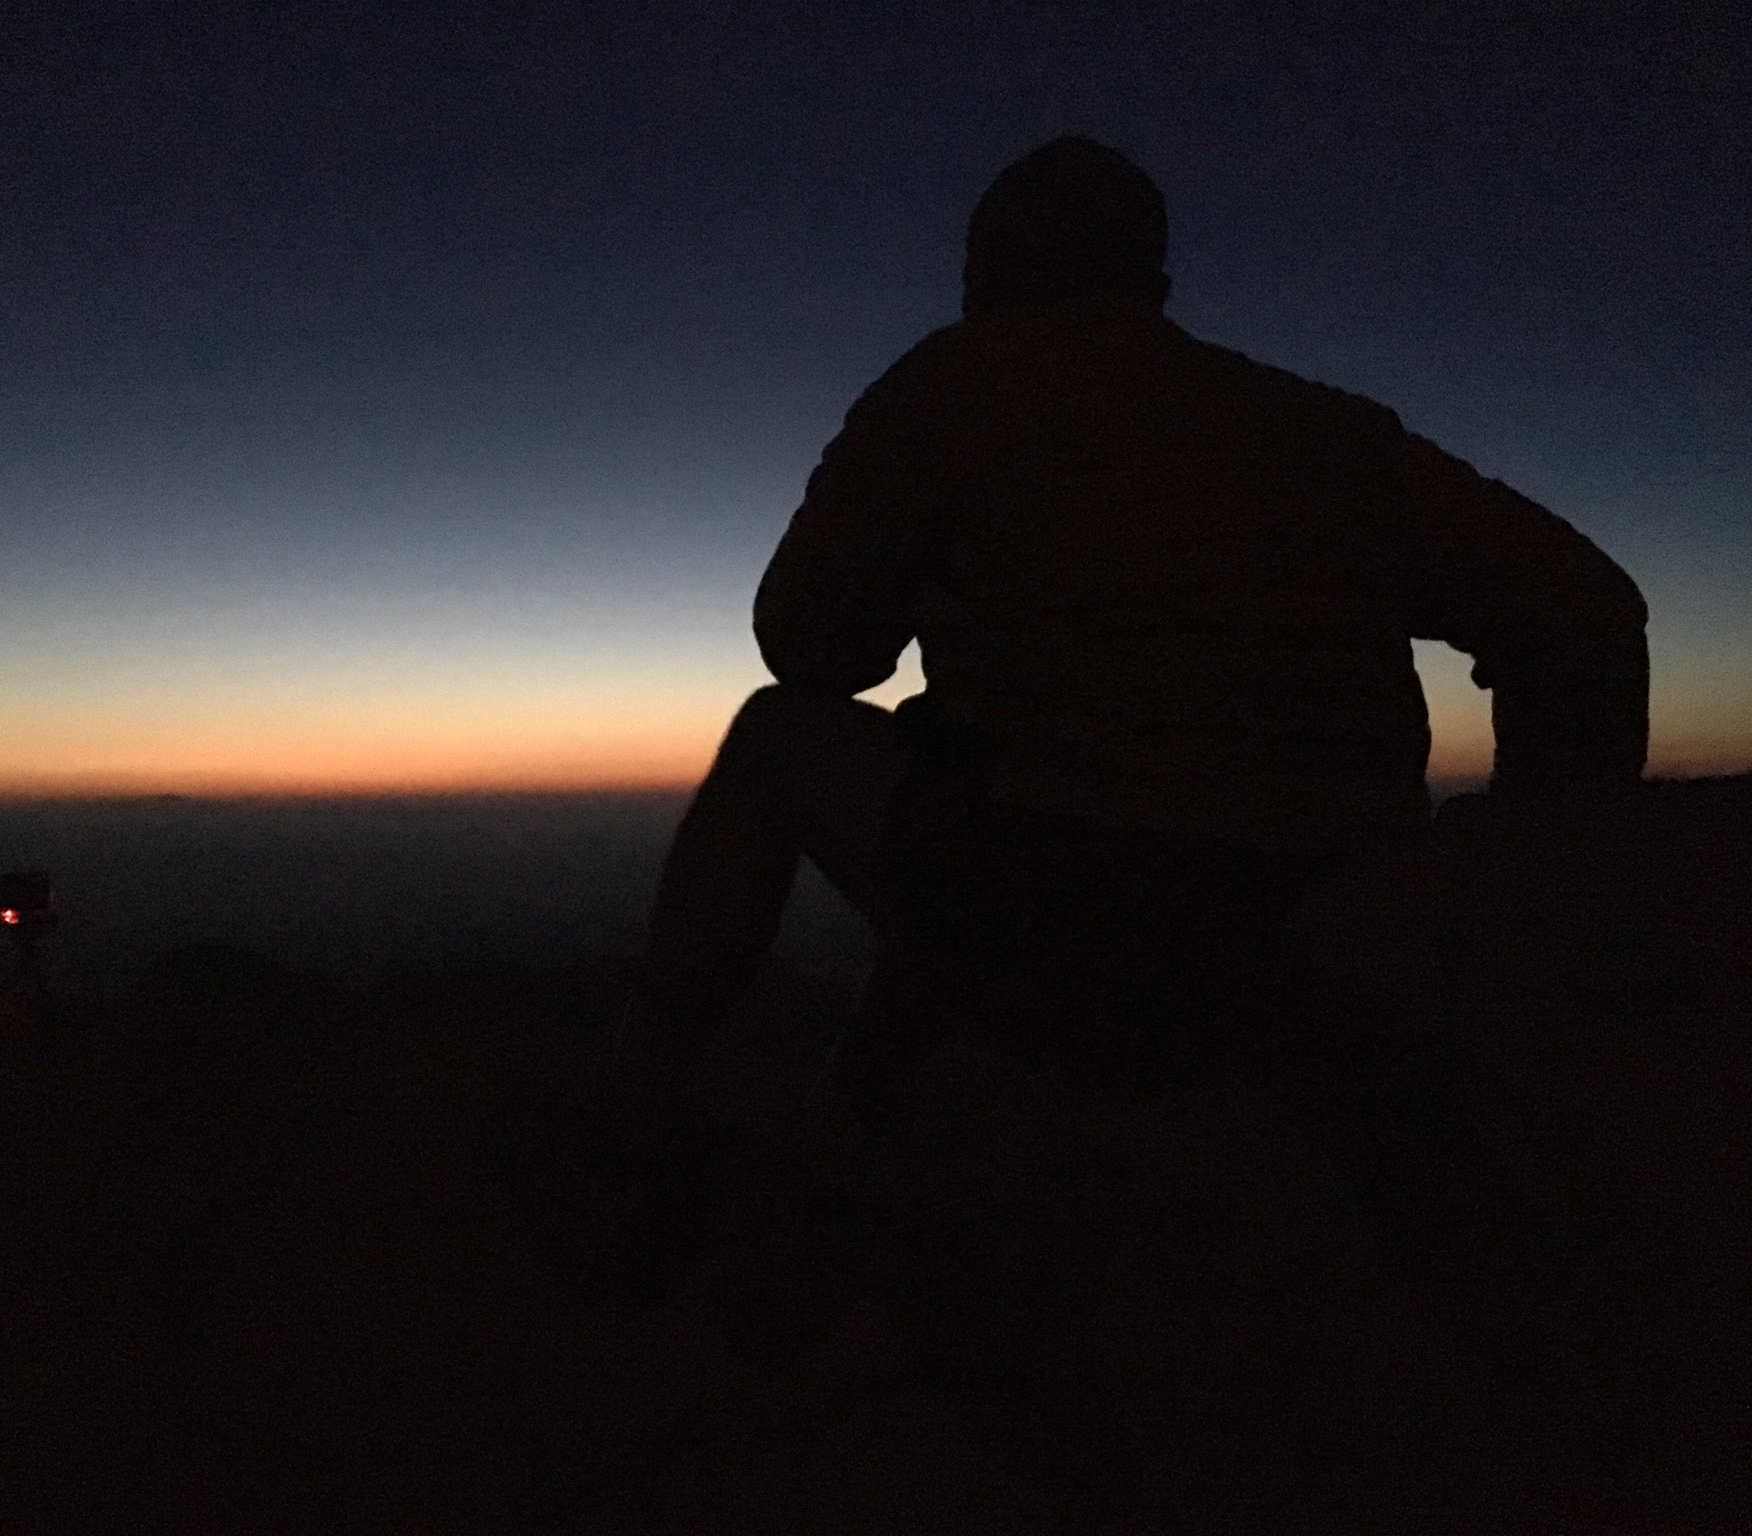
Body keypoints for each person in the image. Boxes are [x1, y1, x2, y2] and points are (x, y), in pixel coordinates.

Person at [614, 135, 1648, 1107]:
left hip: (1087, 916)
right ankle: (884, 1100)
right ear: (1147, 280)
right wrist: (1514, 890)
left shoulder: (953, 385)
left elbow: (806, 650)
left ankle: (642, 1095)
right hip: (1341, 908)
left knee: (774, 737)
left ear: (984, 272)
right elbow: (1585, 613)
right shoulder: (1320, 429)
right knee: (972, 765)